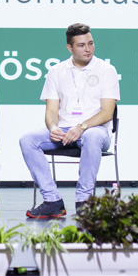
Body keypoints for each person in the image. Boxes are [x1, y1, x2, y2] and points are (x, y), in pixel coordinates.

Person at [20, 23, 119, 218]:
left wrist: (81, 127)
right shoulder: (56, 71)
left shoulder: (107, 70)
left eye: (90, 43)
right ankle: (52, 200)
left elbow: (107, 113)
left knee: (91, 136)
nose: (88, 49)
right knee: (27, 140)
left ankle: (84, 201)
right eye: (81, 45)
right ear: (70, 48)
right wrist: (52, 127)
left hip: (95, 130)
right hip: (65, 131)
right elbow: (51, 111)